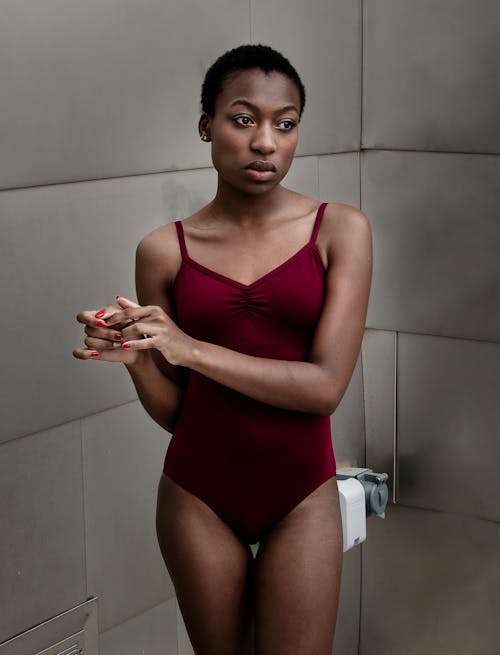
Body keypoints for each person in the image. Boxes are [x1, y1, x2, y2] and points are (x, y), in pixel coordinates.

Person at [73, 44, 372, 655]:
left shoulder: (340, 231)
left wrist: (192, 350)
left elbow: (324, 388)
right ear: (206, 125)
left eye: (284, 124)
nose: (265, 142)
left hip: (302, 493)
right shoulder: (162, 251)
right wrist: (138, 362)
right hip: (197, 494)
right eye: (243, 119)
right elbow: (180, 414)